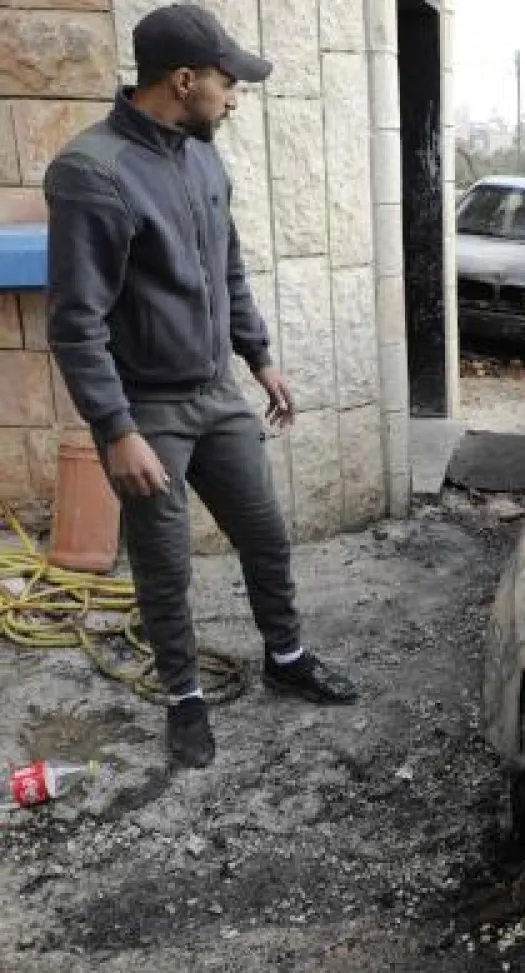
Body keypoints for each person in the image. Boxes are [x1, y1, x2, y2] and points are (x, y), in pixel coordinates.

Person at [44, 4, 357, 770]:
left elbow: (229, 271)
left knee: (265, 534)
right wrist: (116, 431)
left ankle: (286, 657)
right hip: (148, 409)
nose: (236, 97)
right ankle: (184, 698)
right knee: (164, 564)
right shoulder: (92, 174)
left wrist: (260, 358)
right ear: (183, 80)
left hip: (216, 393)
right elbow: (75, 322)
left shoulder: (201, 159)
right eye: (227, 83)